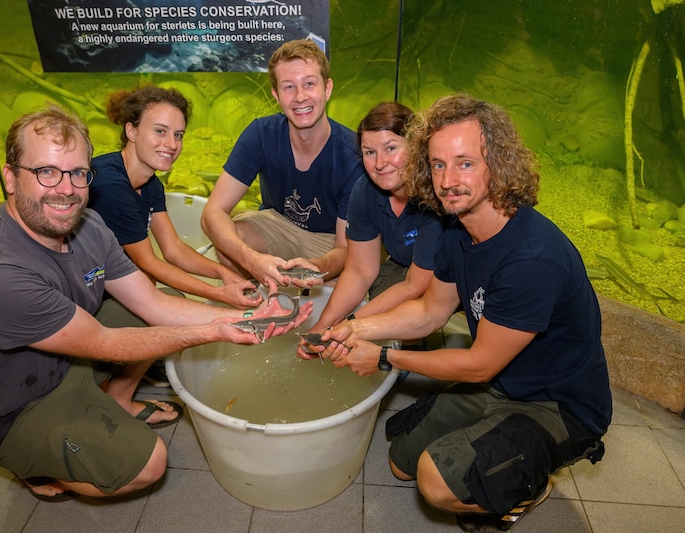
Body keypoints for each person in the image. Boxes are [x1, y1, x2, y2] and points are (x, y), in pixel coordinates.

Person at [0, 105, 311, 502]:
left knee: (161, 301)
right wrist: (214, 329)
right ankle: (38, 464)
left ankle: (114, 400)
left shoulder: (88, 226)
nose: (66, 189)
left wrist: (248, 316)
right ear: (11, 178)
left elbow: (151, 302)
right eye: (46, 171)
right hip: (13, 407)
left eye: (78, 173)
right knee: (149, 465)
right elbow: (105, 344)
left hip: (65, 358)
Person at [318, 94, 611, 532]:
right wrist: (350, 328)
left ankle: (528, 488)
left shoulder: (531, 259)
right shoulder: (459, 230)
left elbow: (478, 364)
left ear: (499, 163)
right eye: (437, 164)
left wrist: (382, 357)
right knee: (401, 462)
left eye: (465, 163)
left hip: (557, 403)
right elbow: (430, 311)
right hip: (501, 382)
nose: (448, 180)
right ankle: (489, 442)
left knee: (434, 484)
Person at [200, 39, 367, 290]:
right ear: (276, 95)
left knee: (352, 281)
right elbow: (212, 214)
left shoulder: (352, 155)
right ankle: (254, 312)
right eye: (289, 87)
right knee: (231, 242)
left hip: (330, 239)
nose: (300, 97)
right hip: (277, 223)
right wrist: (252, 260)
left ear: (328, 88)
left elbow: (345, 248)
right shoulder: (261, 134)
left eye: (309, 84)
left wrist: (318, 267)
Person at [89, 84, 261, 311]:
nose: (172, 145)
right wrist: (219, 293)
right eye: (160, 131)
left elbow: (173, 249)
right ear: (132, 131)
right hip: (83, 293)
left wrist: (224, 272)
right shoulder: (110, 185)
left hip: (112, 281)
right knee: (159, 291)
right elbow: (148, 262)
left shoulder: (151, 185)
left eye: (178, 135)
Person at [299, 101, 445, 336]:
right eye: (369, 152)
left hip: (450, 276)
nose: (379, 164)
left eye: (391, 148)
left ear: (415, 146)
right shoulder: (365, 191)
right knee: (377, 294)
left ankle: (413, 356)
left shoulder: (434, 195)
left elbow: (415, 284)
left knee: (396, 312)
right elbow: (359, 270)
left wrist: (349, 324)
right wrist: (322, 325)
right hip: (406, 264)